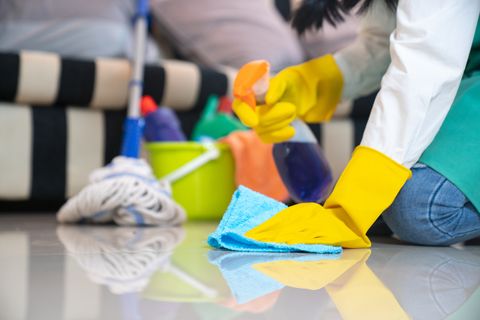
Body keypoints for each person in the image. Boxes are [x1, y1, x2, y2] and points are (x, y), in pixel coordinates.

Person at [233, 0, 480, 247]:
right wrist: (308, 84)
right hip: (464, 78)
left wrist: (351, 208)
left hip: (460, 80)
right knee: (382, 207)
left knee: (419, 207)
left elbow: (425, 66)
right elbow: (386, 43)